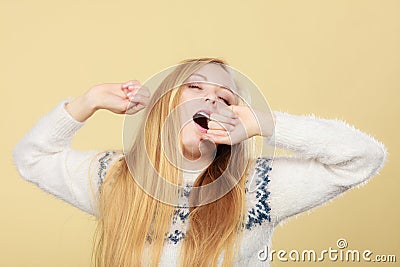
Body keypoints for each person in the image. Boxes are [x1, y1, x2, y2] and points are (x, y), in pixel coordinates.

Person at [12, 57, 388, 267]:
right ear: (164, 105)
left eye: (226, 98)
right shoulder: (113, 178)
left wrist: (267, 124)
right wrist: (87, 102)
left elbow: (363, 159)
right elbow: (32, 158)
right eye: (195, 87)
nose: (211, 100)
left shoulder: (256, 187)